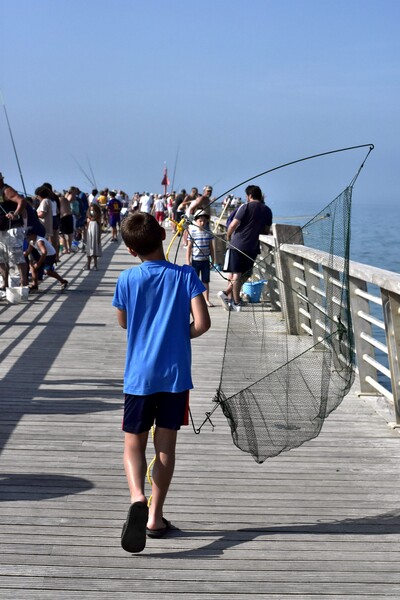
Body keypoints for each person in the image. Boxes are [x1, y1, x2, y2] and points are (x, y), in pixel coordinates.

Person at [112, 212, 210, 553]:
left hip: (139, 376)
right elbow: (202, 323)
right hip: (174, 377)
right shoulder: (187, 277)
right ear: (161, 235)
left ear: (130, 249)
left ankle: (137, 496)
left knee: (133, 445)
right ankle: (155, 517)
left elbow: (124, 322)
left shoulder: (126, 279)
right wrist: (178, 335)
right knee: (165, 448)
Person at [218, 184, 272, 312]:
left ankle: (232, 299)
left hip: (236, 245)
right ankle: (233, 299)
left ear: (249, 196)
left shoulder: (245, 207)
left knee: (237, 273)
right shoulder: (267, 210)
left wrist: (228, 237)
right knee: (245, 273)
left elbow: (233, 225)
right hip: (252, 247)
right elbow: (266, 231)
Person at [0, 172, 28, 292]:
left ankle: (23, 284)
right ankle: (4, 284)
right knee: (1, 258)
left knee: (16, 257)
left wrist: (15, 214)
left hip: (12, 228)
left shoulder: (6, 190)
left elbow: (21, 201)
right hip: (2, 229)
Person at [24, 227, 68, 291]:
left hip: (50, 255)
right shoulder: (31, 241)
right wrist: (21, 256)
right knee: (33, 266)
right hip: (43, 255)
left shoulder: (40, 241)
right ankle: (35, 285)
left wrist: (39, 263)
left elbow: (44, 252)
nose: (27, 239)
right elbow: (28, 251)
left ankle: (63, 281)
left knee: (47, 271)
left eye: (28, 237)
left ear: (33, 235)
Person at [186, 212, 215, 307]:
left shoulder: (209, 233)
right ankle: (193, 300)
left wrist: (213, 260)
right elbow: (189, 247)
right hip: (195, 260)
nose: (202, 223)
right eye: (200, 221)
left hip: (206, 261)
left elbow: (211, 248)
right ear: (196, 221)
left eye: (205, 221)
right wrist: (188, 260)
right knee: (195, 281)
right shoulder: (193, 233)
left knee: (205, 281)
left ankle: (206, 300)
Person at [85, 203, 102, 270]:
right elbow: (87, 228)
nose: (92, 213)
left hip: (95, 236)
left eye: (93, 211)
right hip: (90, 237)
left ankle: (95, 265)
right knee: (89, 250)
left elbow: (99, 228)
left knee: (95, 250)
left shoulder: (97, 220)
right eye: (91, 210)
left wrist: (99, 237)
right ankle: (88, 265)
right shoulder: (88, 219)